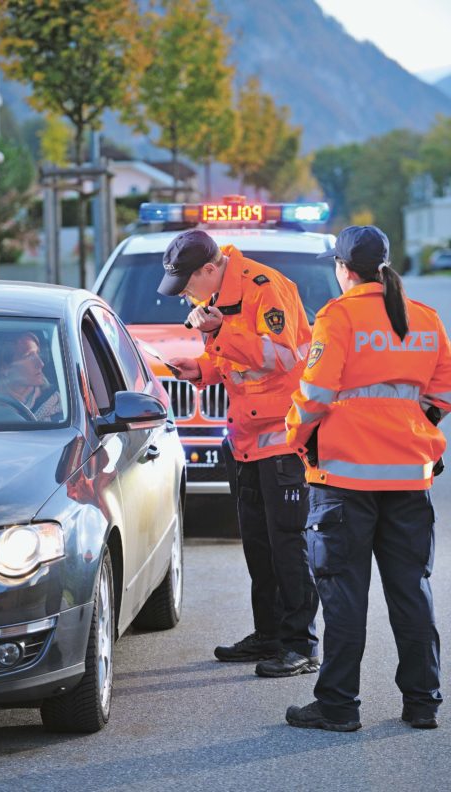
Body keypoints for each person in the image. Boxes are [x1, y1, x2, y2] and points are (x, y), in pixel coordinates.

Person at [285, 225, 451, 732]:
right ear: (383, 265)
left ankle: (338, 706)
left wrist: (297, 436)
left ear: (343, 269)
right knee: (410, 593)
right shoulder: (424, 318)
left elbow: (313, 395)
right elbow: (442, 394)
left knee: (344, 597)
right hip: (408, 481)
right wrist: (413, 429)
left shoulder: (337, 317)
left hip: (343, 483)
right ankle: (422, 703)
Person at [158, 228, 319, 677]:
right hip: (244, 439)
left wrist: (221, 330)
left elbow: (283, 357)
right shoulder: (216, 298)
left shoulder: (265, 288)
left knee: (288, 546)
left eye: (189, 284)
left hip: (283, 439)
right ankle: (269, 635)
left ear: (210, 269)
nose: (186, 295)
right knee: (258, 544)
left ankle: (301, 644)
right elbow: (235, 362)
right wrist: (203, 369)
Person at [0, 331, 63, 422]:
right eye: (29, 356)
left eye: (38, 353)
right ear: (4, 367)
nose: (40, 363)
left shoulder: (58, 407)